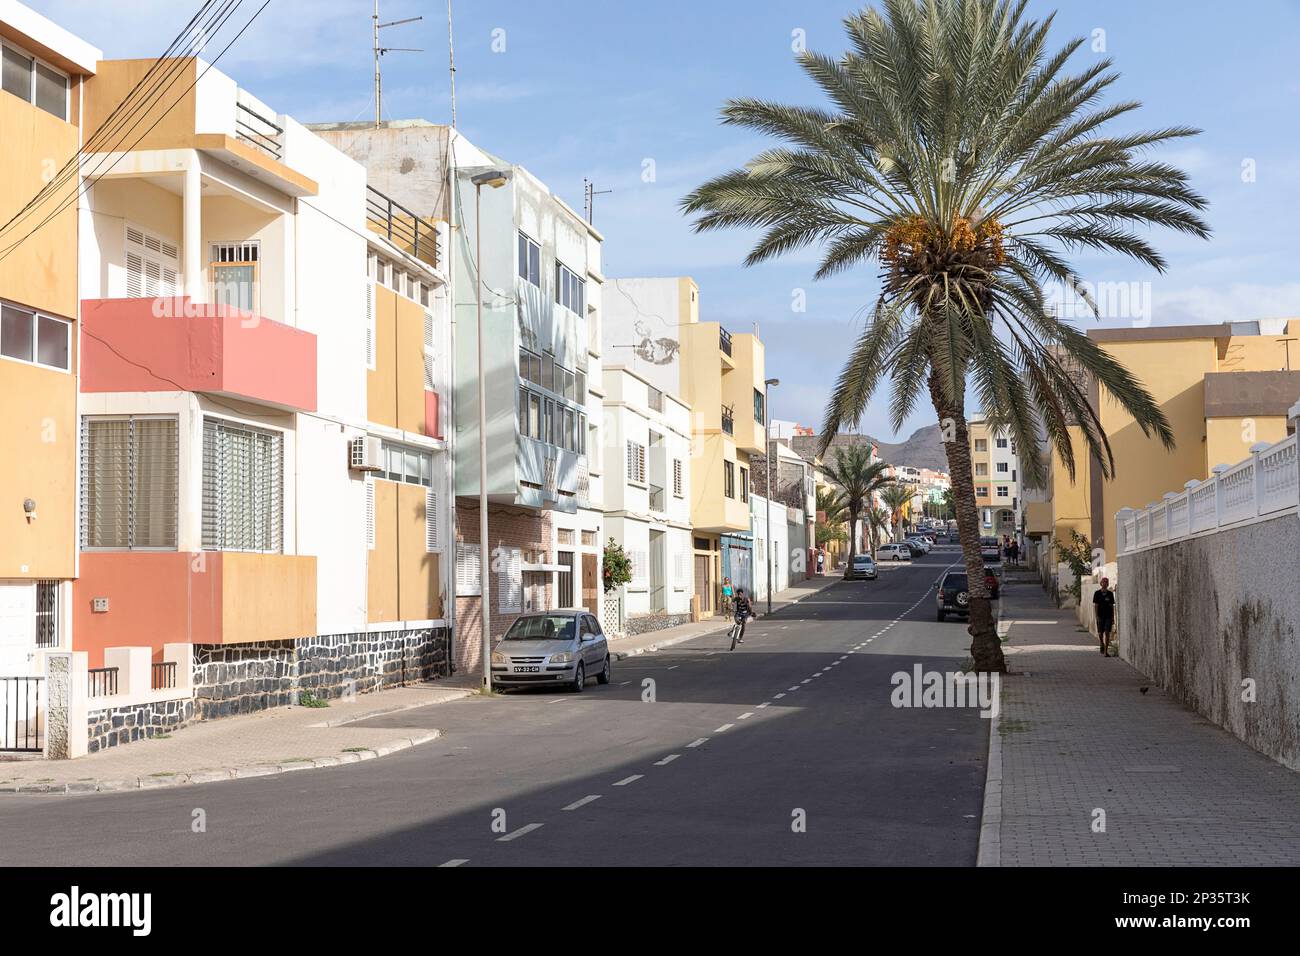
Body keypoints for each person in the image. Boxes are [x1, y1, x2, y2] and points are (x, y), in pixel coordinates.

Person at [1093, 577, 1116, 656]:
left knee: (1107, 633)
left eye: (1106, 582)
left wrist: (1113, 617)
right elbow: (1096, 605)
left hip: (1108, 616)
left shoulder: (1110, 594)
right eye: (1104, 582)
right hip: (1100, 616)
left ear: (1108, 584)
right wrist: (1096, 616)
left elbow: (1112, 606)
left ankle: (1106, 651)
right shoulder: (1097, 593)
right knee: (1100, 633)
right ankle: (1101, 643)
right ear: (1101, 583)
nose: (1105, 583)